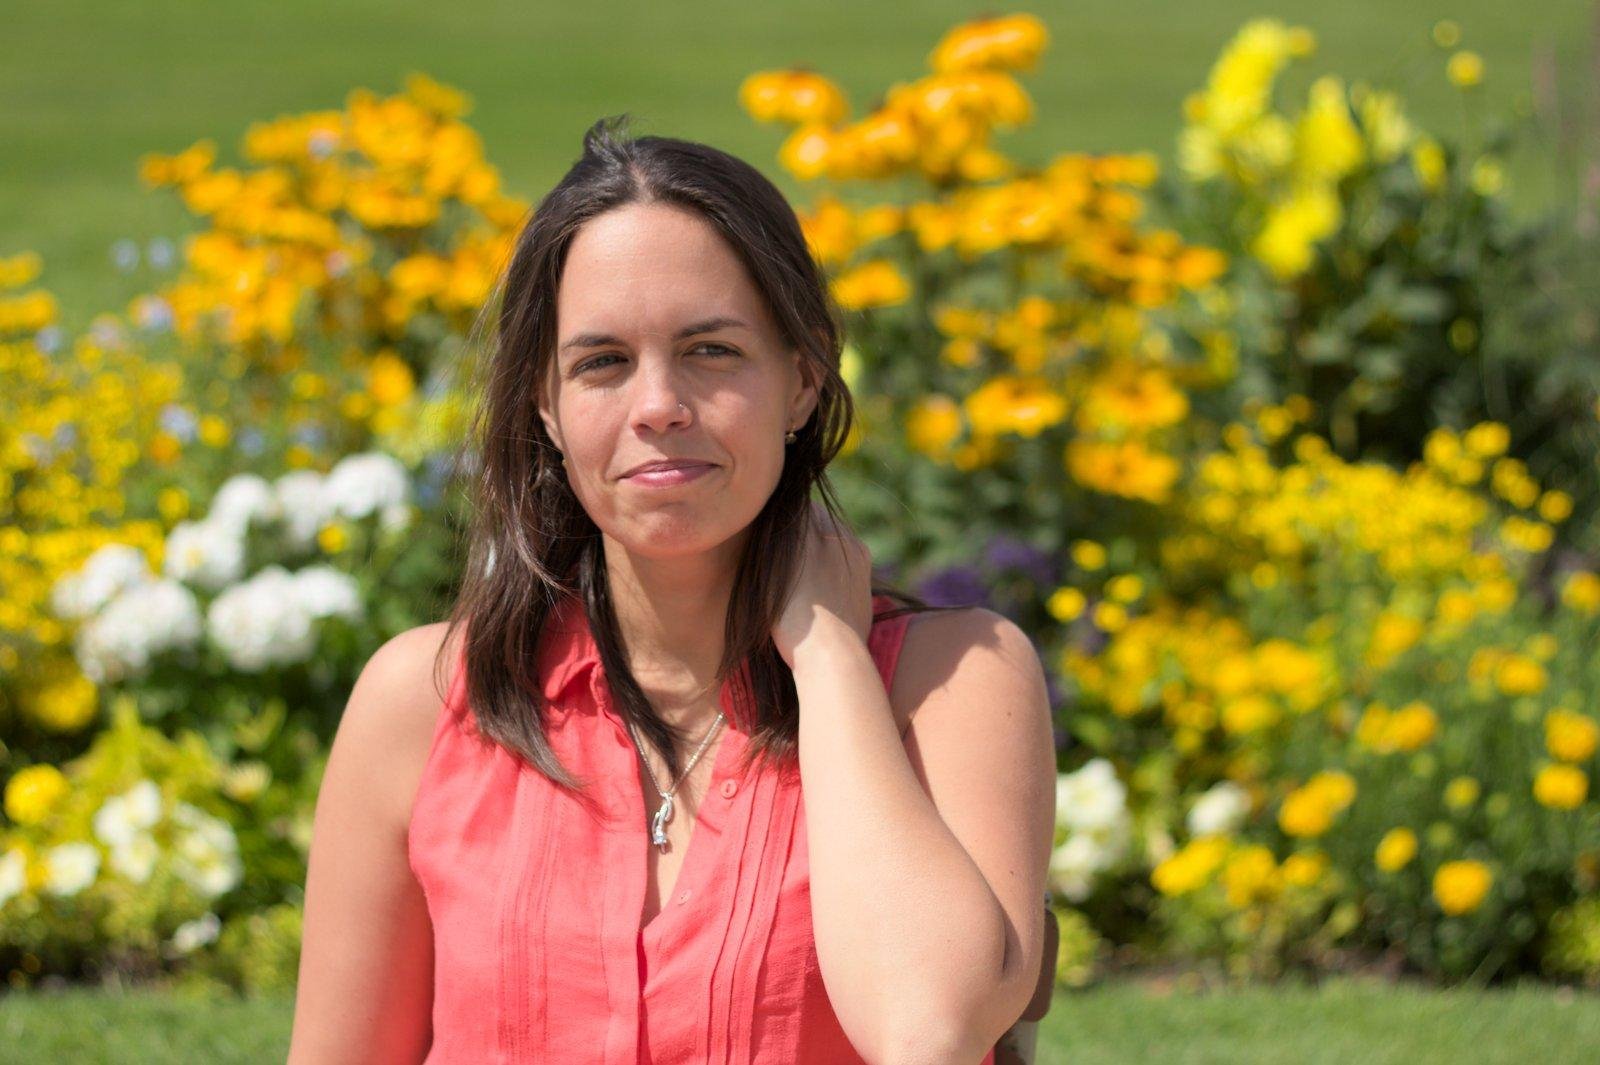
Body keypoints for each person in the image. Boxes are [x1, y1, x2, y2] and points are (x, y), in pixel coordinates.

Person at [287, 114, 1055, 1064]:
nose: (658, 406)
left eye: (712, 351)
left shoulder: (953, 683)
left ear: (805, 378)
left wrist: (825, 657)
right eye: (602, 362)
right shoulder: (427, 701)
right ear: (546, 404)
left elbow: (928, 1026)